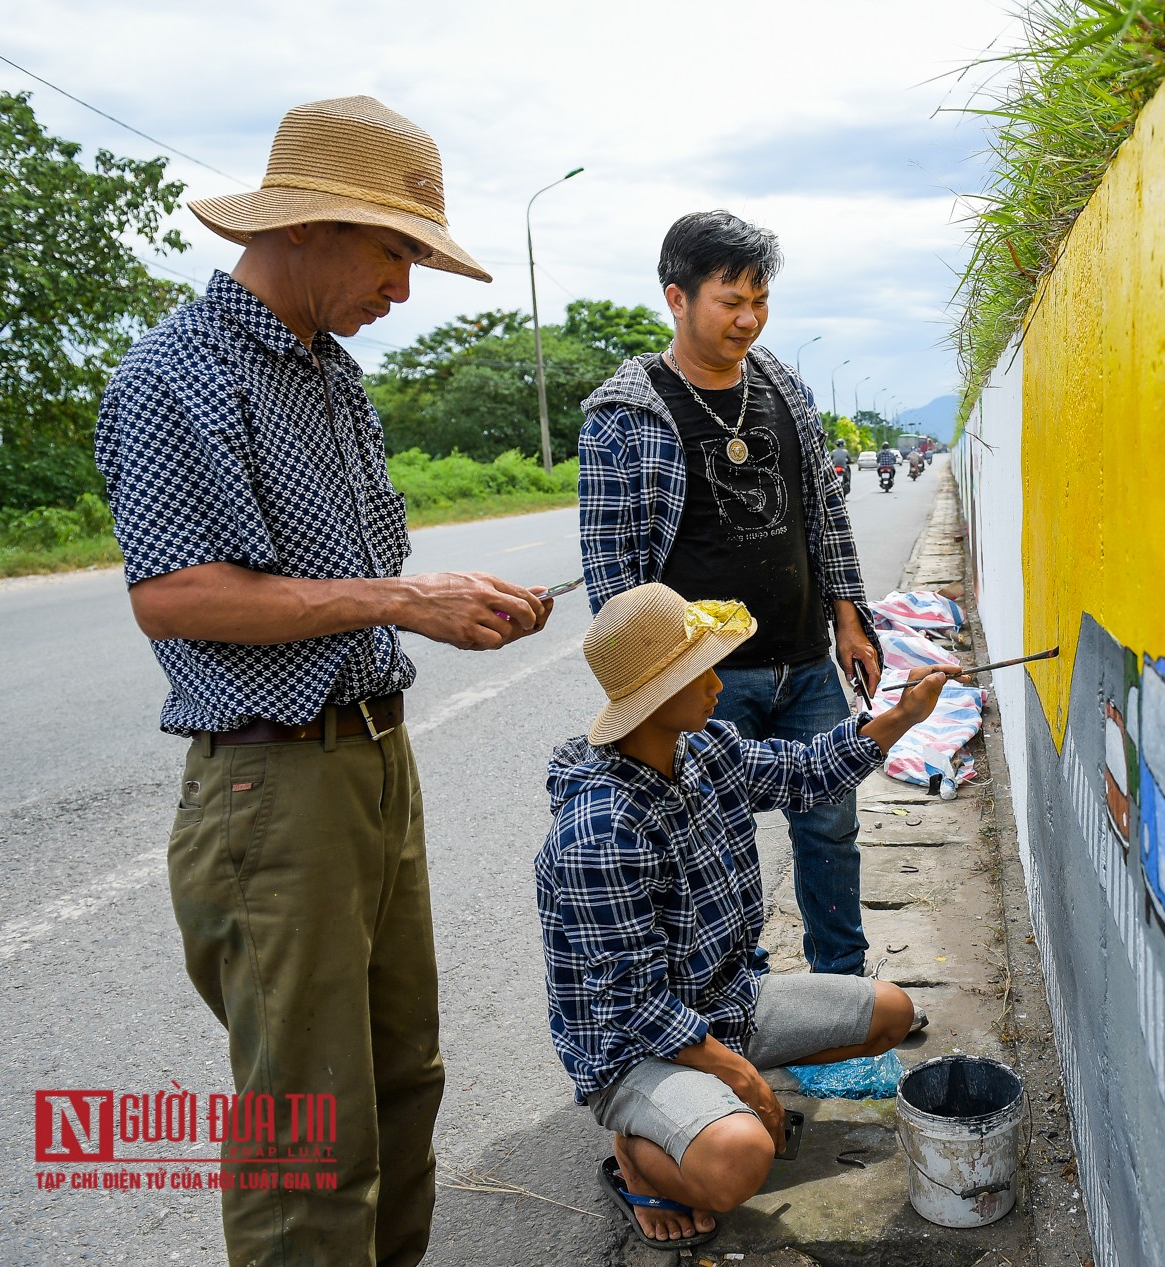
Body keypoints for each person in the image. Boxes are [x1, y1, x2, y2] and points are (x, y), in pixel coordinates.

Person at [93, 96, 550, 1267]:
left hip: (372, 767)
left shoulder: (333, 379)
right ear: (304, 228)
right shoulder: (174, 374)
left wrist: (450, 604)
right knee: (310, 1128)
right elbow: (177, 595)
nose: (403, 288)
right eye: (394, 250)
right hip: (271, 786)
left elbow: (365, 570)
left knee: (403, 1078)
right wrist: (403, 602)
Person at [536, 584, 953, 1248]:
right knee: (742, 1157)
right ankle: (637, 1156)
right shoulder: (602, 829)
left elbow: (808, 770)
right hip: (636, 1048)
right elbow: (635, 1004)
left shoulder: (705, 751)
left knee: (892, 1011)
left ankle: (700, 1107)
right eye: (699, 671)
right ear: (653, 697)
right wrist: (744, 1077)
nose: (719, 685)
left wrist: (903, 715)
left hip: (727, 1001)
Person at [576, 211, 888, 983]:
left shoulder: (784, 387)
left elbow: (824, 511)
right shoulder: (625, 414)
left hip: (804, 659)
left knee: (830, 825)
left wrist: (849, 618)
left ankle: (840, 990)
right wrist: (649, 692)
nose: (748, 318)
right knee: (712, 846)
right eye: (730, 300)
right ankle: (733, 1002)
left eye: (760, 299)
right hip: (704, 681)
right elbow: (612, 570)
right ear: (677, 298)